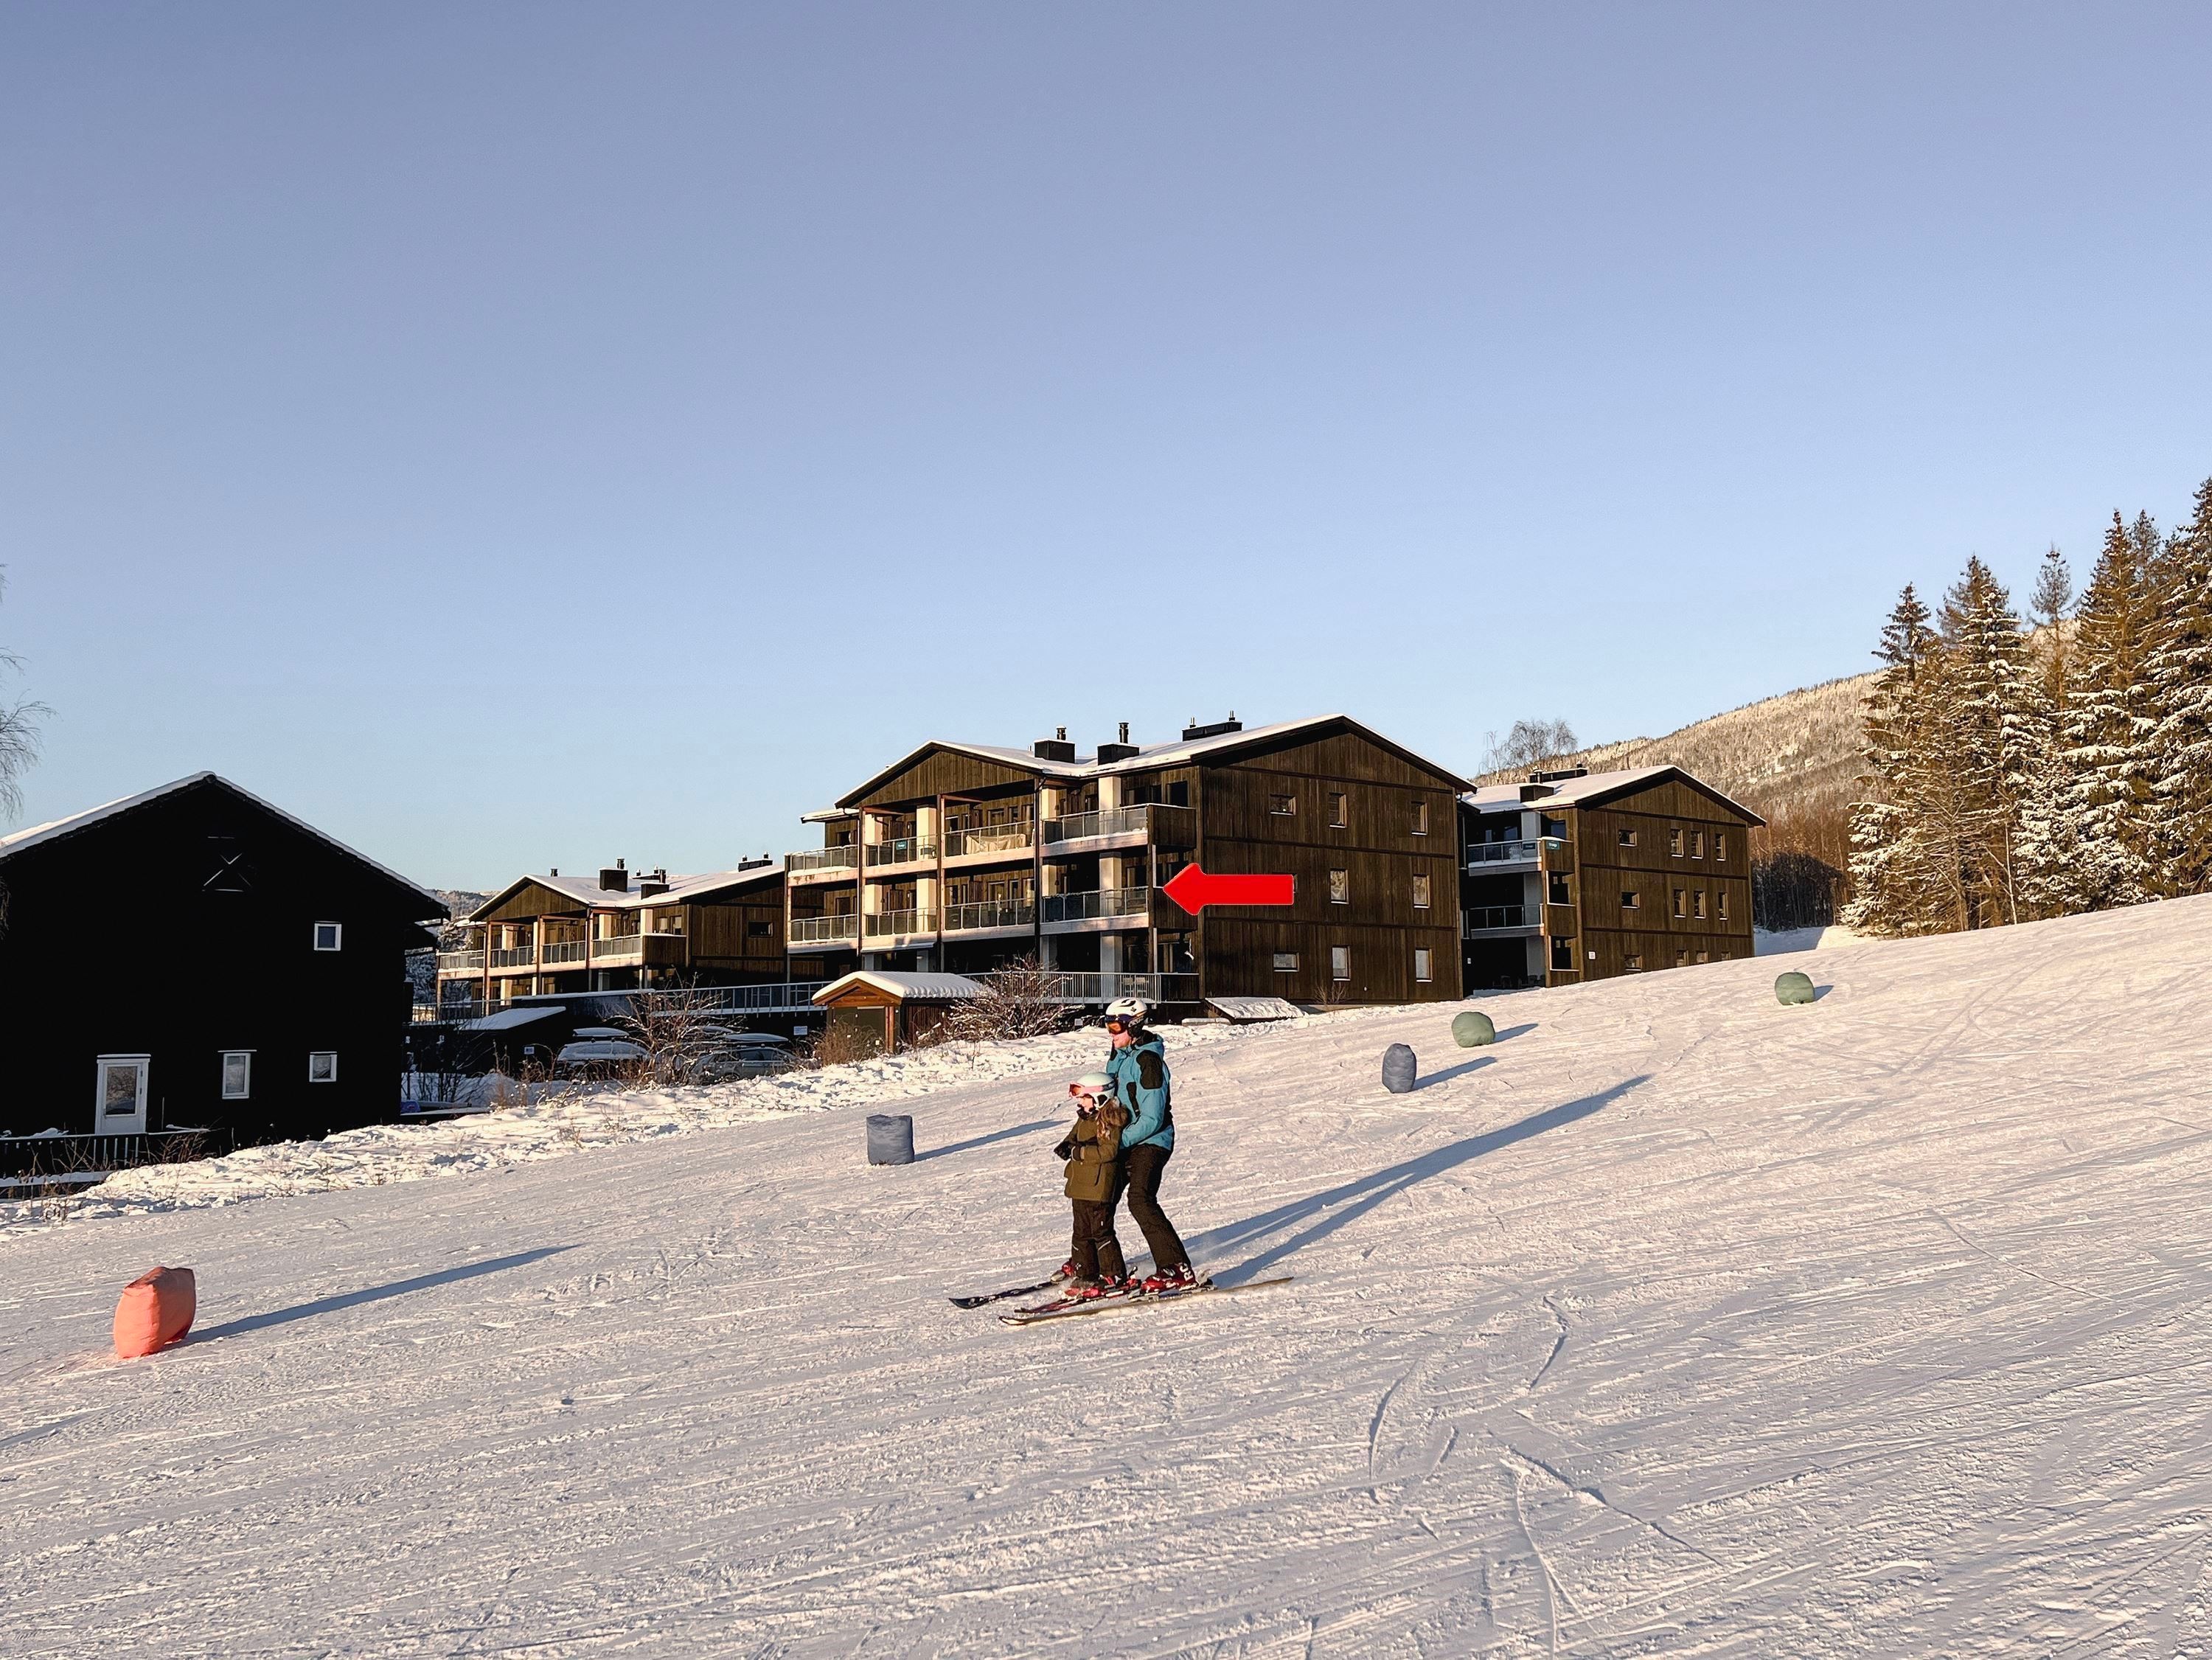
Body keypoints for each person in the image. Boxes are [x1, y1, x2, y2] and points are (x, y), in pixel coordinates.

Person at [1100, 998, 1197, 1293]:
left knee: (1140, 1199)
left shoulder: (1148, 1061)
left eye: (1116, 1027)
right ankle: (1098, 1267)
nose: (1111, 1033)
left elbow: (1153, 1118)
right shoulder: (1121, 1057)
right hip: (1126, 1140)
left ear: (1135, 1025)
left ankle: (1175, 1268)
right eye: (1107, 1027)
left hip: (1152, 1141)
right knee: (1098, 1198)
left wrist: (1118, 1141)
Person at [1054, 1070, 1132, 1297]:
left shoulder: (1108, 1119)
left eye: (1084, 1097)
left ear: (1100, 1097)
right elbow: (1074, 1137)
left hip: (1098, 1187)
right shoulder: (1085, 1117)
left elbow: (1109, 1151)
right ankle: (1086, 1271)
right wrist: (1066, 1146)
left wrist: (1079, 1152)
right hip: (1080, 1184)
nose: (1080, 1101)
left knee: (1100, 1231)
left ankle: (1114, 1275)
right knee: (1081, 1231)